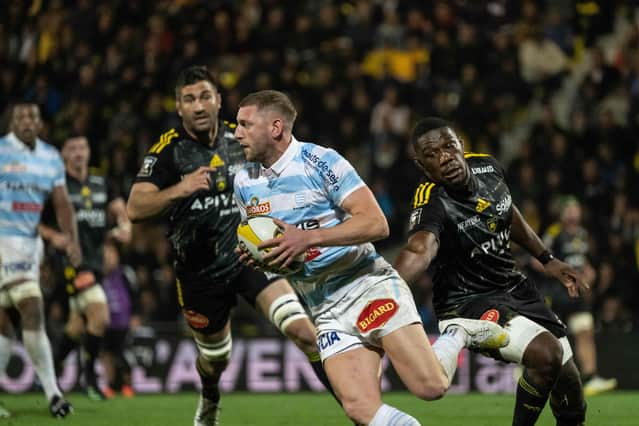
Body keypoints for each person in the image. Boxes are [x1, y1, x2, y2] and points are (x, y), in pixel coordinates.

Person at [233, 90, 509, 426]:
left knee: (431, 387)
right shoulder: (244, 181)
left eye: (245, 124)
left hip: (366, 285)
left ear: (275, 127)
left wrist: (306, 237)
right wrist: (258, 255)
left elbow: (376, 223)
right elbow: (271, 241)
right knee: (360, 410)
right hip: (322, 306)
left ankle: (457, 334)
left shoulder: (320, 161)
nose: (237, 133)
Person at [126, 66, 339, 426]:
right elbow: (135, 207)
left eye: (205, 96)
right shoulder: (168, 151)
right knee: (216, 360)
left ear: (218, 101)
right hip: (200, 274)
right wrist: (181, 188)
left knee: (307, 335)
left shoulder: (239, 138)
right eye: (189, 99)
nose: (198, 105)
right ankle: (210, 395)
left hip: (251, 259)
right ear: (179, 107)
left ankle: (358, 410)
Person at [393, 117, 589, 425]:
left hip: (514, 288)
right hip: (468, 302)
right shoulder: (431, 200)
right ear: (422, 166)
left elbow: (506, 211)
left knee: (570, 386)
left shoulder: (487, 166)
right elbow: (420, 248)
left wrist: (547, 259)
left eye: (448, 146)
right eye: (432, 155)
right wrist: (386, 289)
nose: (444, 158)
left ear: (460, 144)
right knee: (547, 355)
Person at [39, 134, 132, 400]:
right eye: (72, 148)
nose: (79, 153)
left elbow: (120, 210)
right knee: (100, 314)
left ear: (89, 151)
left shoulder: (100, 183)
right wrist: (53, 236)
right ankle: (89, 378)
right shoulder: (57, 187)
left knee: (77, 325)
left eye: (83, 147)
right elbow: (36, 221)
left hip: (97, 263)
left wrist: (124, 227)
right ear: (64, 154)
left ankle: (51, 368)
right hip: (70, 262)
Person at [0, 103, 76, 418]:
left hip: (30, 245)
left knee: (4, 324)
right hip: (3, 240)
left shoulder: (50, 157)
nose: (28, 121)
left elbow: (61, 202)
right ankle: (54, 394)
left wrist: (71, 238)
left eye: (33, 116)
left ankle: (53, 394)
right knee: (31, 305)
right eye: (21, 117)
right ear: (11, 122)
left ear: (40, 122)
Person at [540, 197, 617, 396]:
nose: (574, 214)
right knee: (551, 338)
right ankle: (533, 373)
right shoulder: (553, 233)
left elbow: (584, 261)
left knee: (585, 331)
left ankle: (591, 378)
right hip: (557, 293)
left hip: (577, 295)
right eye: (570, 210)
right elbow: (537, 261)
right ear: (562, 213)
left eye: (576, 209)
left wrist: (589, 272)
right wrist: (560, 273)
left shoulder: (583, 234)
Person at [100, 241, 138, 399]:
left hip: (123, 322)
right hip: (106, 322)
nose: (109, 258)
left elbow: (135, 295)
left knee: (123, 354)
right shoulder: (98, 275)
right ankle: (109, 386)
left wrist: (136, 315)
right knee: (107, 355)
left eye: (111, 255)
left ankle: (127, 385)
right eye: (106, 255)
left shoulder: (125, 273)